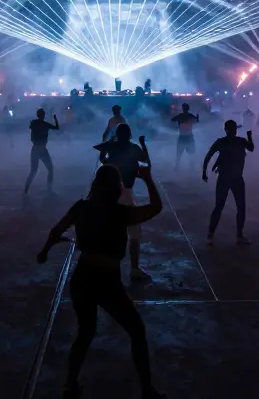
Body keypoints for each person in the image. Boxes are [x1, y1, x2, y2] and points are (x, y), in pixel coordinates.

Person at [38, 163, 167, 399]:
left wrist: (45, 251)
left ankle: (70, 385)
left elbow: (55, 231)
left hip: (82, 277)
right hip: (107, 281)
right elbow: (156, 207)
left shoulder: (81, 208)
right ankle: (147, 389)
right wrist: (148, 179)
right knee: (136, 330)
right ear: (116, 187)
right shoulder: (121, 213)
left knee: (85, 331)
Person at [93, 125, 152, 281]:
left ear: (118, 135)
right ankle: (134, 269)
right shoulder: (133, 148)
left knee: (108, 230)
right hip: (126, 193)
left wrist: (107, 147)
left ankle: (104, 266)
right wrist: (143, 144)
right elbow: (146, 163)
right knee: (134, 233)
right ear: (129, 135)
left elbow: (103, 160)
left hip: (110, 194)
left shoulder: (113, 147)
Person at [202, 120, 254, 245]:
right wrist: (204, 171)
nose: (234, 131)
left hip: (234, 178)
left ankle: (238, 235)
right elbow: (208, 155)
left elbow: (251, 148)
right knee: (220, 206)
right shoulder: (225, 142)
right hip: (226, 177)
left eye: (235, 129)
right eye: (232, 129)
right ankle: (211, 234)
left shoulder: (238, 141)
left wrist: (249, 137)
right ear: (226, 130)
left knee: (239, 207)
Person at [25, 109, 61, 194]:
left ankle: (26, 190)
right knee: (50, 169)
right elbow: (57, 127)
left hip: (35, 148)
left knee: (33, 170)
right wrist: (55, 118)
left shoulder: (34, 123)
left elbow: (31, 133)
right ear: (43, 115)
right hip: (42, 149)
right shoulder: (45, 124)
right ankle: (49, 189)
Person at [170, 103, 200, 170]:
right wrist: (197, 117)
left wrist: (179, 118)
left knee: (180, 153)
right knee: (190, 152)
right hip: (188, 137)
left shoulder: (181, 116)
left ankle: (177, 167)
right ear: (188, 109)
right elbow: (197, 121)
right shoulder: (190, 116)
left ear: (183, 109)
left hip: (183, 136)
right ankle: (191, 167)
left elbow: (172, 119)